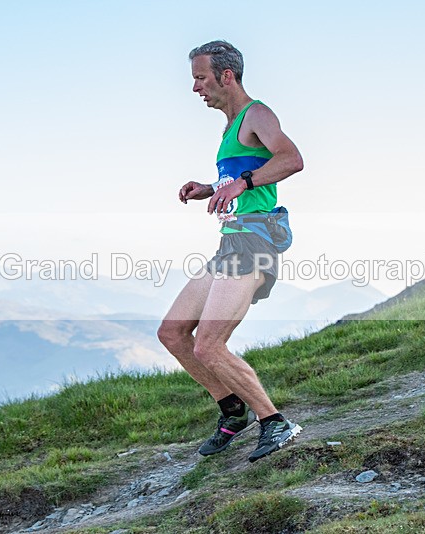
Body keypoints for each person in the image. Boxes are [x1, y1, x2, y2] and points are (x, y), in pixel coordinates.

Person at [157, 40, 304, 462]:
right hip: (232, 240)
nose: (195, 88)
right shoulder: (230, 126)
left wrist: (244, 183)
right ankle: (231, 409)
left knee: (209, 344)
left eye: (200, 77)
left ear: (227, 75)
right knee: (172, 332)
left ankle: (275, 422)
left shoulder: (257, 113)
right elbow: (242, 175)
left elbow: (292, 159)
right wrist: (211, 187)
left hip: (256, 240)